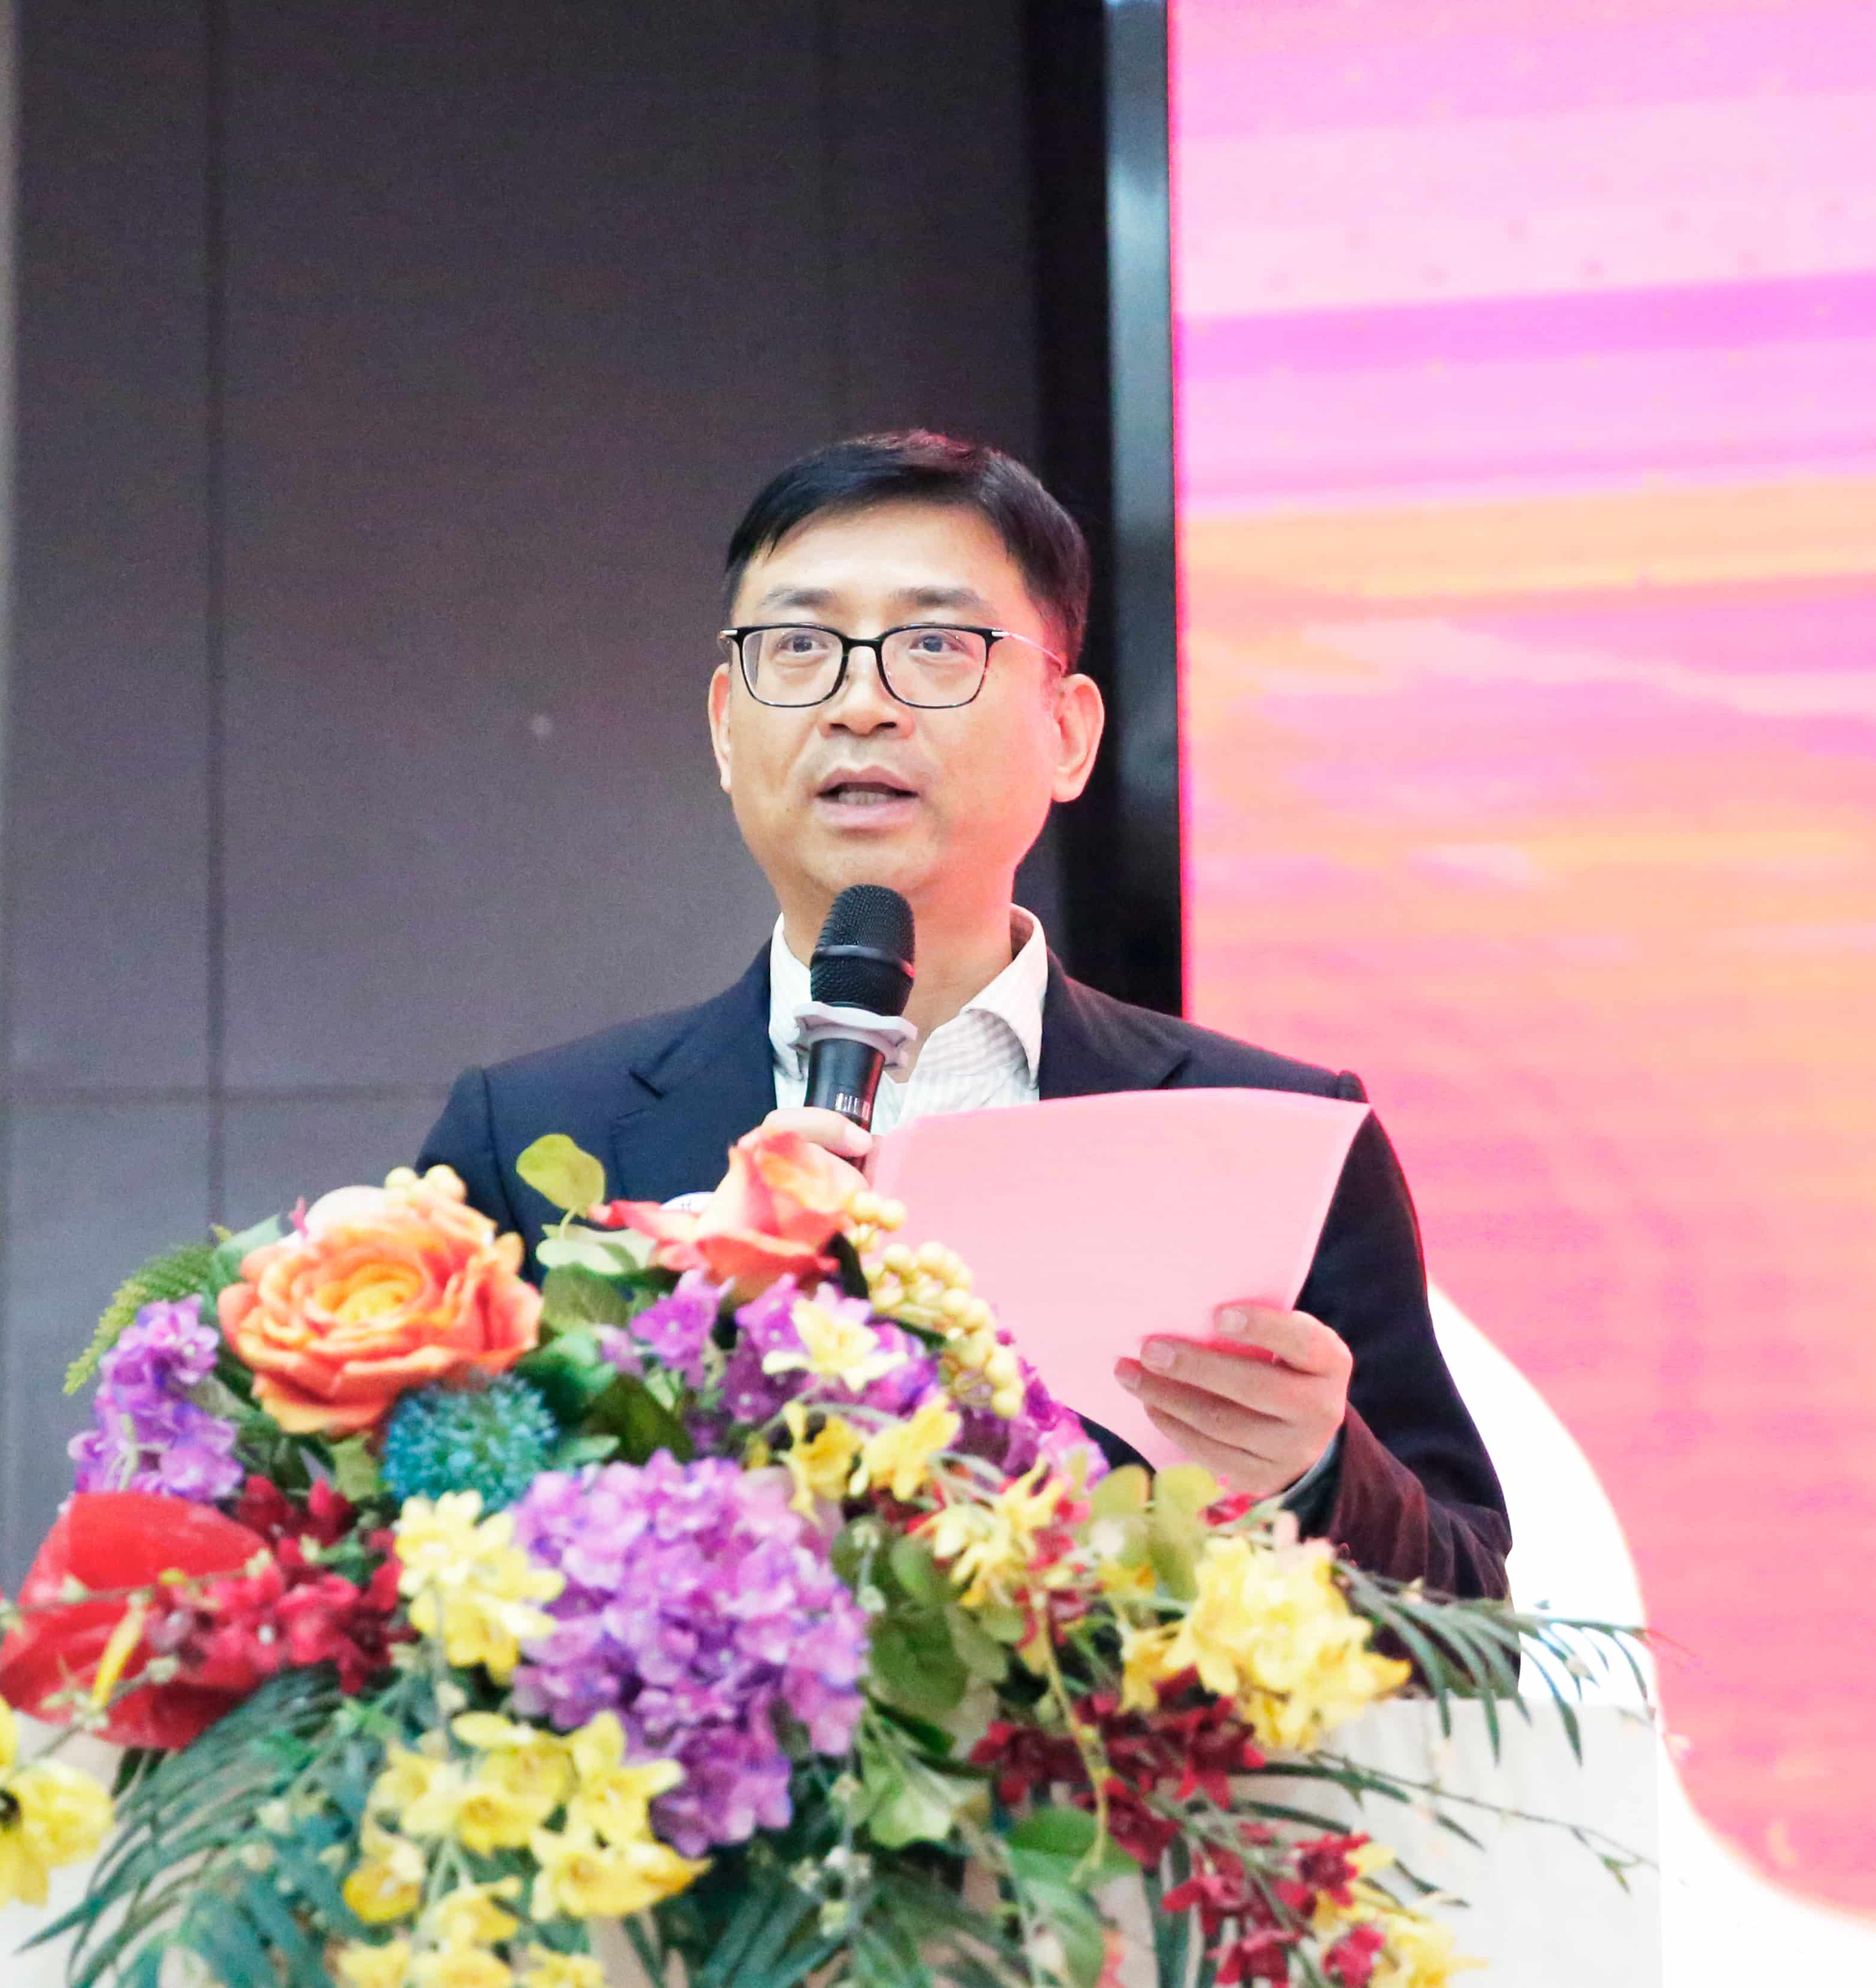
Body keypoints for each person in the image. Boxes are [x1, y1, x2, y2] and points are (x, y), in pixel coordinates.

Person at [415, 432, 1510, 1598]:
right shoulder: (533, 1137)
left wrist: (1313, 1476)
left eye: (936, 645)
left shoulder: (1274, 1134)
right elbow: (406, 1567)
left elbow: (1472, 1613)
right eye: (801, 646)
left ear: (1069, 734)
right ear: (728, 729)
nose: (861, 704)